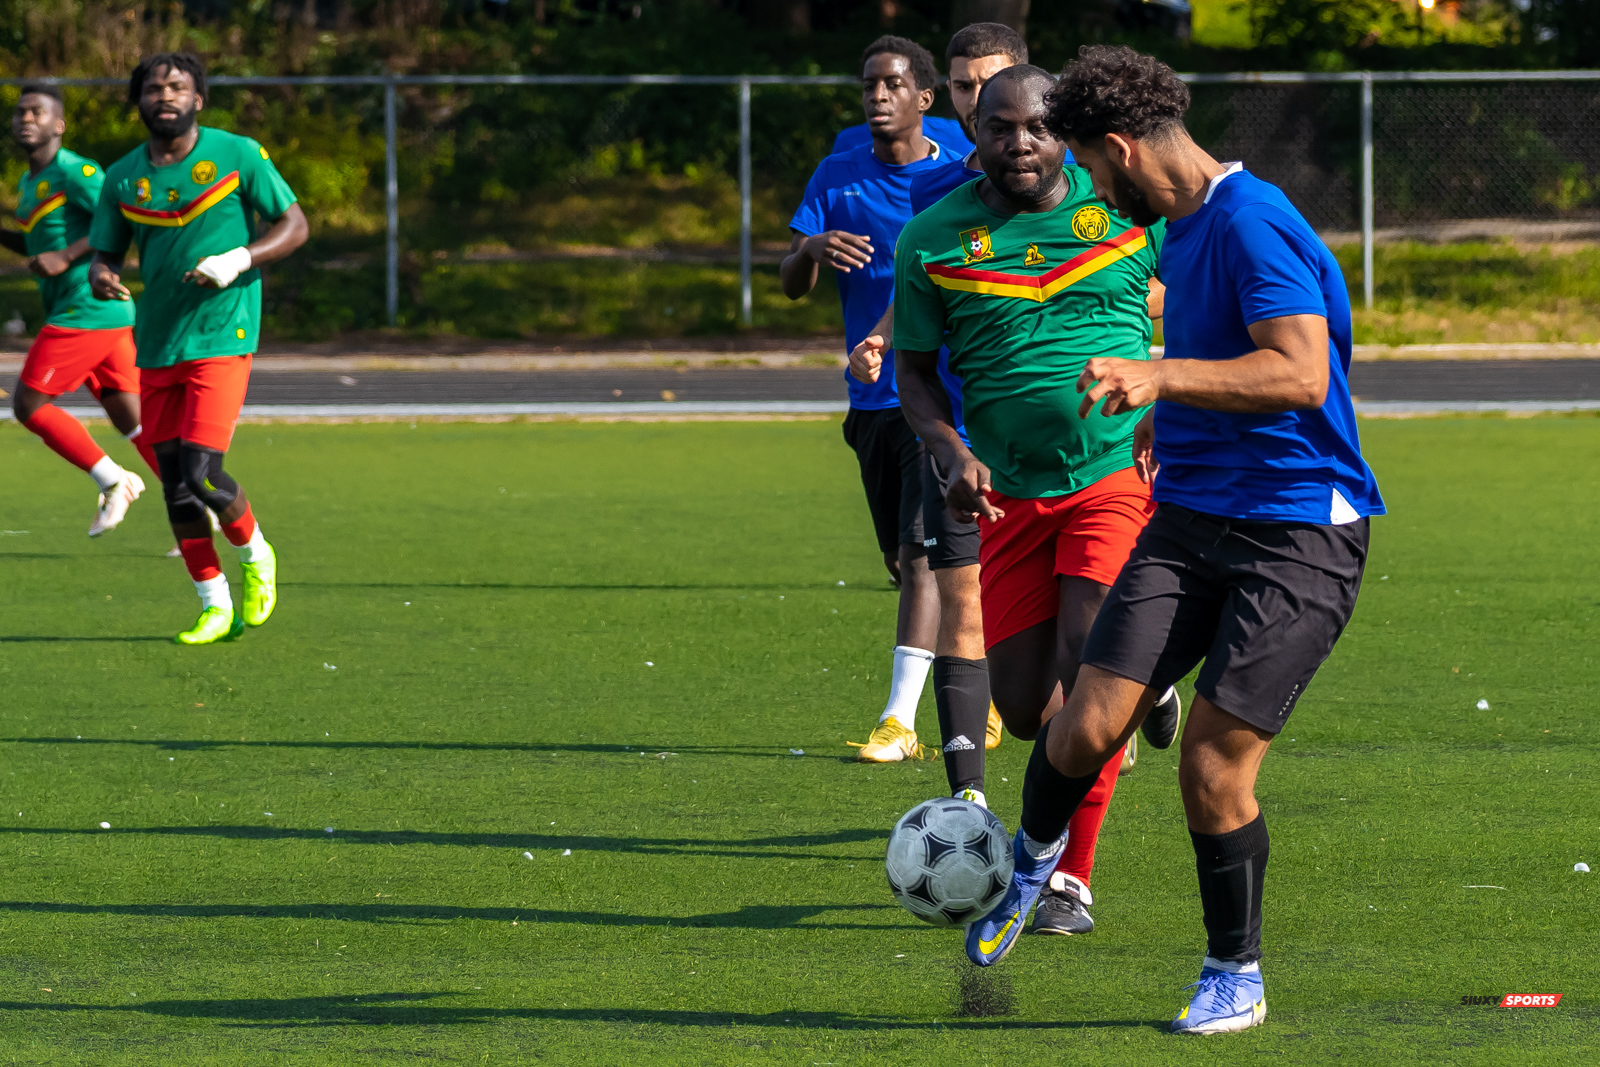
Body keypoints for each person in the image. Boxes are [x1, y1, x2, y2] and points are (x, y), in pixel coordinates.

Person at [965, 47, 1384, 1035]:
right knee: (1080, 718)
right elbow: (1219, 357)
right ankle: (1027, 865)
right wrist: (1170, 403)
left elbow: (1297, 376)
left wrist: (1160, 377)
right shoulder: (1185, 225)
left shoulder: (1249, 221)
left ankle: (1232, 971)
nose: (1096, 192)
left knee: (1210, 763)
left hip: (1295, 533)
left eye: (1093, 171)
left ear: (1117, 148)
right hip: (1191, 513)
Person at [892, 64, 1179, 940]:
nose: (1020, 142)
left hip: (1109, 480)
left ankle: (1068, 879)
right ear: (973, 134)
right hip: (1007, 498)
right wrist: (951, 451)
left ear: (1066, 134)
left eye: (1038, 128)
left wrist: (1170, 395)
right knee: (1024, 708)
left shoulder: (1128, 210)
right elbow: (913, 371)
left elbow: (1205, 302)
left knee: (1092, 667)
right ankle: (1153, 677)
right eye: (1000, 128)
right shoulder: (934, 238)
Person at [782, 35, 966, 762]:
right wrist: (810, 250)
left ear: (925, 98)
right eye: (868, 86)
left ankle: (900, 720)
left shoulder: (957, 173)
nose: (878, 97)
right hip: (870, 401)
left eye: (892, 85)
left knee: (926, 558)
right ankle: (1028, 681)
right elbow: (791, 286)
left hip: (940, 389)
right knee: (905, 561)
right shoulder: (838, 172)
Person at [89, 52, 308, 645]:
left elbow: (295, 225)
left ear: (199, 100)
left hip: (223, 333)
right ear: (138, 102)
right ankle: (212, 603)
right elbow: (104, 253)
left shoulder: (237, 154)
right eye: (154, 88)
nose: (166, 95)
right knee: (174, 486)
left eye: (178, 86)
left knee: (203, 472)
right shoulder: (121, 178)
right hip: (158, 343)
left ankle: (257, 555)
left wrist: (240, 258)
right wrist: (102, 274)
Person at [1, 84, 160, 536]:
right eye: (19, 113)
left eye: (36, 112)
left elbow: (119, 218)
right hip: (95, 314)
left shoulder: (78, 171)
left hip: (88, 306)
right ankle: (195, 504)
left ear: (59, 124)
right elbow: (38, 243)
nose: (25, 119)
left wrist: (68, 258)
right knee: (130, 419)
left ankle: (115, 481)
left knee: (30, 405)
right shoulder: (30, 181)